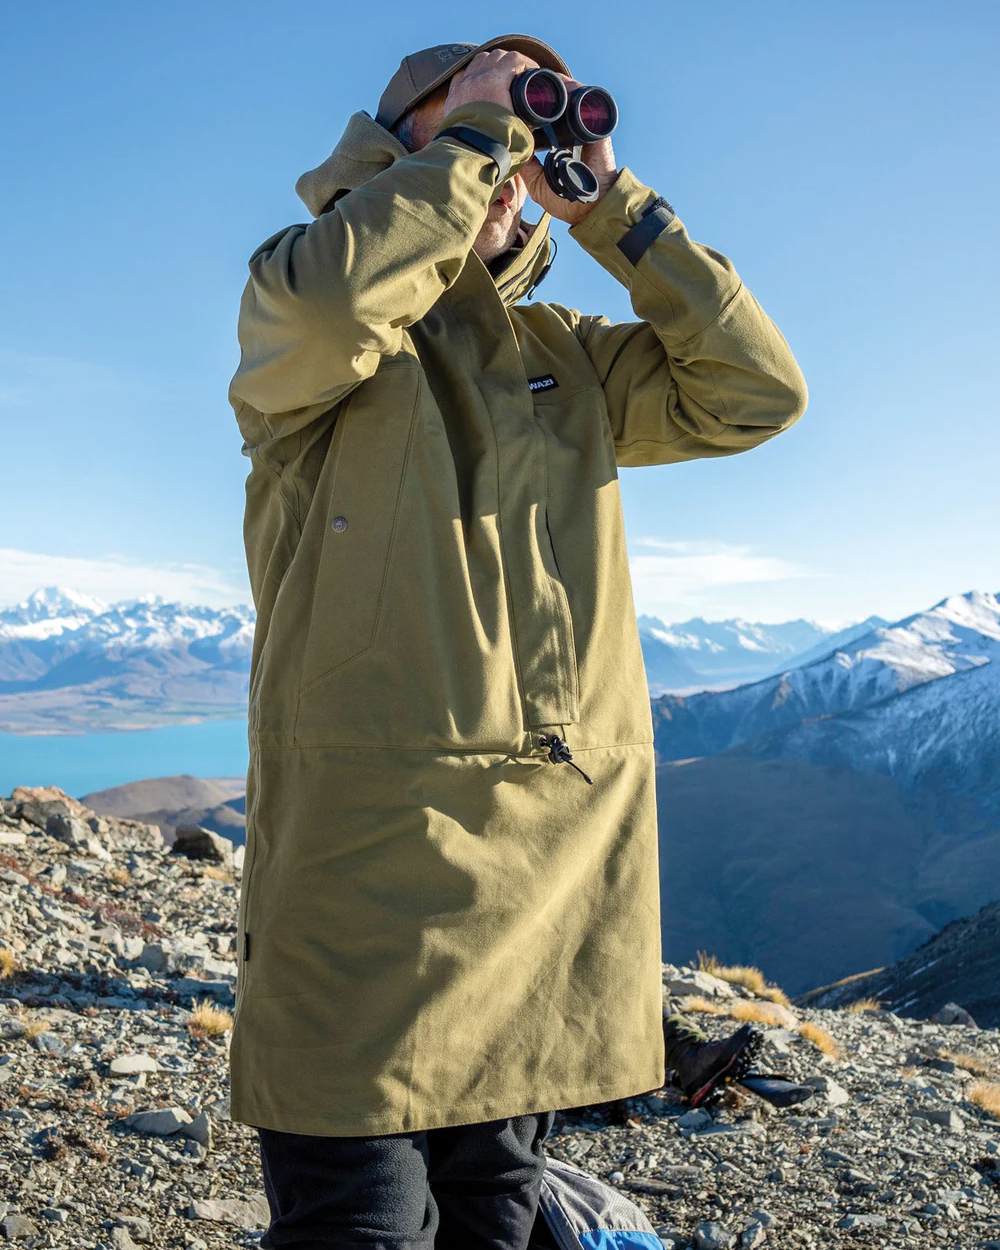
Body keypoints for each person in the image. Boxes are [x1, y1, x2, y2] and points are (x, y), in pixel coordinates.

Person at [227, 32, 809, 1250]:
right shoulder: (308, 310)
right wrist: (476, 140)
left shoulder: (567, 355)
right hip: (371, 879)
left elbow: (754, 391)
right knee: (361, 1226)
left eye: (527, 130)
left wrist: (616, 210)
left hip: (548, 883)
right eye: (476, 120)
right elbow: (339, 300)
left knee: (494, 1218)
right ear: (399, 146)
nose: (507, 158)